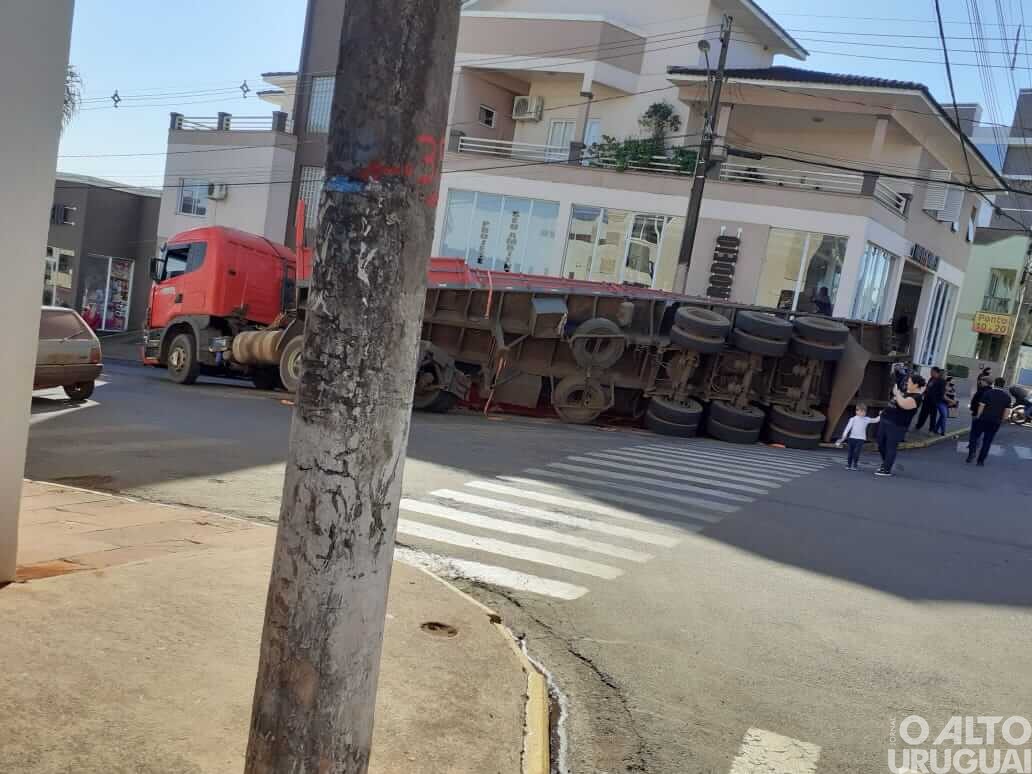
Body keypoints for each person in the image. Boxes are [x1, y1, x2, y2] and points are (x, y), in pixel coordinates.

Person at [875, 373, 926, 478]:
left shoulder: (917, 397)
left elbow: (903, 404)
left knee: (890, 446)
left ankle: (886, 469)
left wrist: (897, 393)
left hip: (897, 425)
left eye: (910, 382)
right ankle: (886, 463)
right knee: (880, 443)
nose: (907, 383)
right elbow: (894, 402)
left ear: (916, 385)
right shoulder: (905, 392)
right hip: (885, 420)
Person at [967, 377, 1013, 466]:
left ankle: (971, 453)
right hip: (995, 421)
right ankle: (981, 461)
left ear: (994, 383)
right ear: (1004, 385)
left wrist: (978, 416)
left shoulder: (987, 393)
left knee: (974, 436)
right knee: (987, 441)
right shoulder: (1007, 397)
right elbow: (1007, 412)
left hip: (983, 419)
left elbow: (981, 407)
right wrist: (1002, 420)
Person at [837, 403, 880, 470]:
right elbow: (847, 428)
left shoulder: (867, 419)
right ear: (856, 411)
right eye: (861, 411)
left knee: (856, 452)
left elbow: (876, 420)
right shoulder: (853, 419)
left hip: (861, 439)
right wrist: (843, 437)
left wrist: (881, 415)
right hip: (852, 438)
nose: (863, 413)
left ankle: (855, 465)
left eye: (864, 411)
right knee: (850, 452)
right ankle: (848, 464)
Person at [914, 367, 945, 433]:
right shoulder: (931, 379)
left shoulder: (941, 381)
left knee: (933, 416)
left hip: (934, 402)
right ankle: (918, 426)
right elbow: (928, 388)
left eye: (932, 371)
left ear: (936, 372)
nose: (930, 373)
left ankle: (931, 430)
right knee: (923, 414)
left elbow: (942, 392)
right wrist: (923, 394)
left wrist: (937, 401)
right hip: (926, 400)